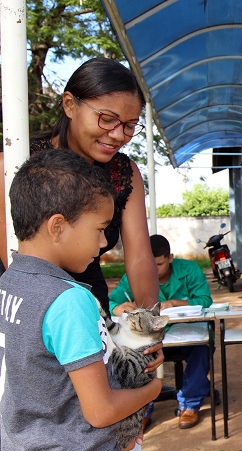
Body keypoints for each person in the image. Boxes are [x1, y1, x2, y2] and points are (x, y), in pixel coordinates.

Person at [0, 149, 162, 451]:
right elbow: (101, 410)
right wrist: (153, 388)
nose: (104, 244)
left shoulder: (9, 284)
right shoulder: (69, 300)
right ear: (58, 226)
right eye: (100, 229)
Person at [1, 57, 160, 316]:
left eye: (130, 125)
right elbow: (12, 259)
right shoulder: (15, 163)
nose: (119, 135)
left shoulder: (123, 173)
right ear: (69, 105)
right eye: (107, 119)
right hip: (24, 309)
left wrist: (147, 324)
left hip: (91, 305)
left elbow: (140, 257)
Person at [110, 234, 213, 430]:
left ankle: (190, 405)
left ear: (170, 258)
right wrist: (121, 308)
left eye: (158, 264)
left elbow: (205, 300)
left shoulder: (189, 270)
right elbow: (111, 302)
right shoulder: (134, 275)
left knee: (201, 347)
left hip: (187, 335)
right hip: (150, 341)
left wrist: (176, 303)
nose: (153, 270)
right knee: (132, 356)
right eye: (150, 264)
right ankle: (143, 409)